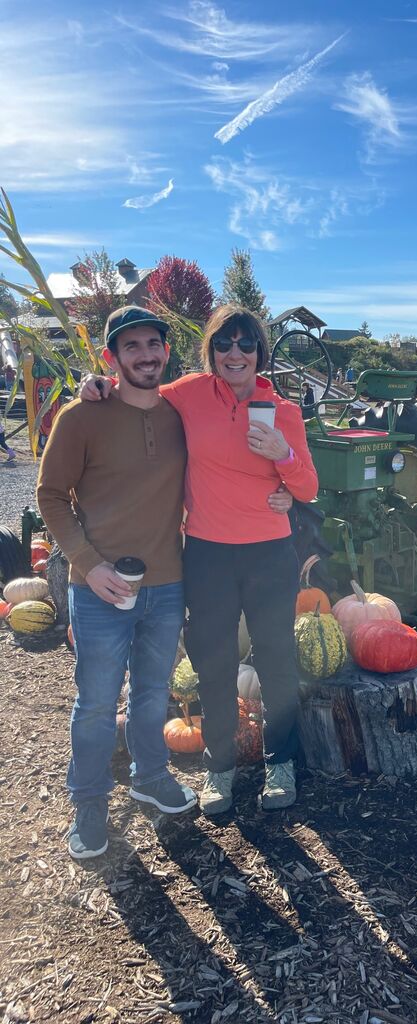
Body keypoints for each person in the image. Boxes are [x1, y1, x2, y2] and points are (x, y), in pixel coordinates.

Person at [80, 304, 317, 816]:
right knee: (214, 665)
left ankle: (281, 763)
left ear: (260, 352)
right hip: (208, 552)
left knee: (276, 660)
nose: (235, 354)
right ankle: (220, 768)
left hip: (270, 552)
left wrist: (283, 455)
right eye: (224, 344)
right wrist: (94, 382)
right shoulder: (187, 394)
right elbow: (134, 391)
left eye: (246, 344)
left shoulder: (285, 412)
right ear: (210, 352)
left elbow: (308, 487)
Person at [37, 306, 198, 859]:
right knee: (98, 703)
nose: (146, 354)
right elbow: (50, 496)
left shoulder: (180, 413)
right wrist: (86, 562)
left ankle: (151, 776)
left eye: (154, 344)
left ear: (166, 351)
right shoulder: (81, 418)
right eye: (132, 347)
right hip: (100, 587)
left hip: (167, 582)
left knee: (154, 693)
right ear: (111, 357)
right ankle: (88, 804)